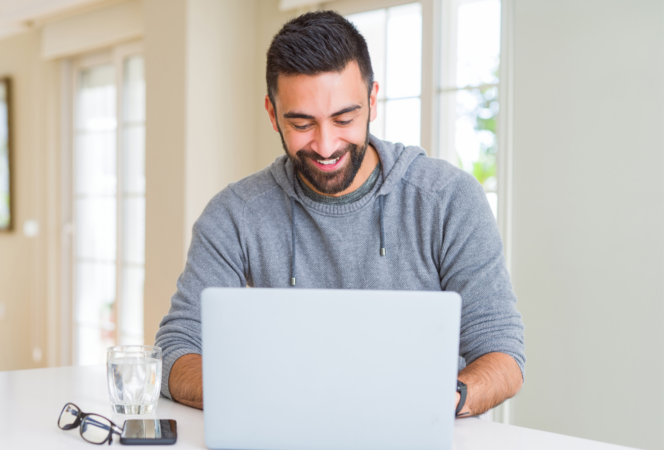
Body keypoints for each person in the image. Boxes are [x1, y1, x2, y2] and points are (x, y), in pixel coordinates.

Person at [155, 10, 524, 417]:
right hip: (284, 428)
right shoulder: (235, 214)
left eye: (344, 119)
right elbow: (178, 346)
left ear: (372, 100)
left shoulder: (447, 199)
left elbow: (502, 352)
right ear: (272, 113)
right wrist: (260, 396)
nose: (326, 145)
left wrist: (441, 401)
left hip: (417, 430)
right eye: (302, 124)